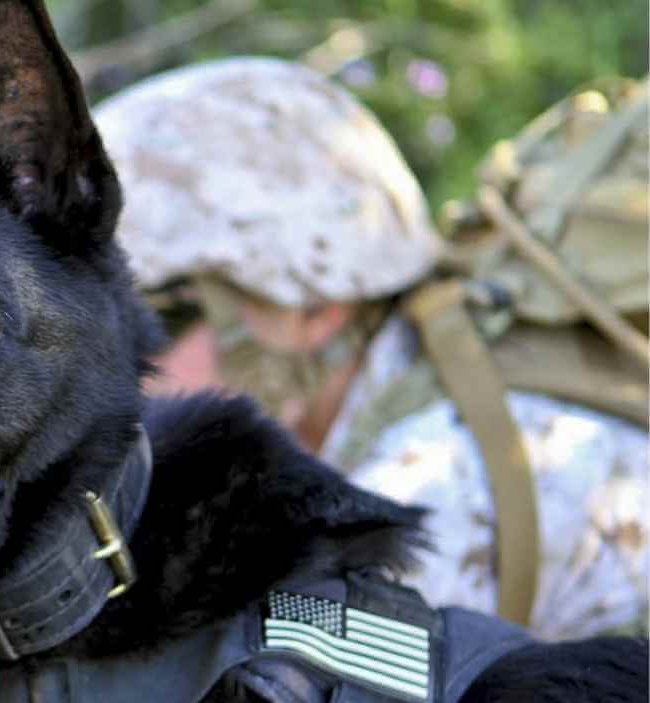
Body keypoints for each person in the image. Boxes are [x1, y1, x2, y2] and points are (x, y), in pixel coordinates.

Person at [93, 57, 649, 640]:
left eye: (158, 314)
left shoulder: (434, 495)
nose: (123, 357)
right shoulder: (419, 391)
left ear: (311, 310)